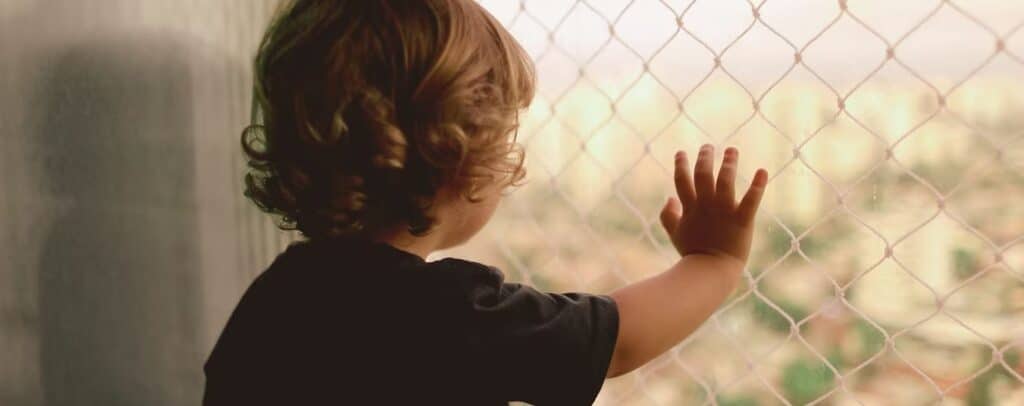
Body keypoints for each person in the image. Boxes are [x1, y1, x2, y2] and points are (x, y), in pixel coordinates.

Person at [203, 0, 768, 404]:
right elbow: (619, 341)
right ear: (457, 160)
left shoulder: (276, 296)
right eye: (504, 135)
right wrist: (715, 261)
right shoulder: (446, 316)